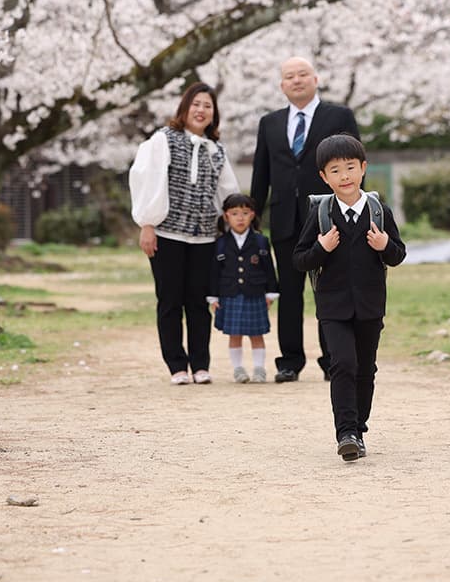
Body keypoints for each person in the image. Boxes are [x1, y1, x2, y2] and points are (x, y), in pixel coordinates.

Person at [293, 134, 406, 461]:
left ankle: (359, 425)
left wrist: (384, 245)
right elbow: (300, 260)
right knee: (342, 363)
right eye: (335, 170)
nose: (344, 176)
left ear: (363, 169)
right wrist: (321, 248)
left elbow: (397, 256)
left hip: (370, 305)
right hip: (333, 306)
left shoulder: (378, 211)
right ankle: (346, 433)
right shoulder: (321, 213)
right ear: (324, 177)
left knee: (365, 369)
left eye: (350, 167)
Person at [250, 56, 360, 382]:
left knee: (330, 289)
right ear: (282, 85)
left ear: (316, 79)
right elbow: (261, 173)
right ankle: (290, 361)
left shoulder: (339, 116)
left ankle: (332, 360)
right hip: (284, 218)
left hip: (328, 217)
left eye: (302, 74)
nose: (296, 80)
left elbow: (353, 164)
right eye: (289, 76)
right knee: (289, 291)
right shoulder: (269, 122)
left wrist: (354, 209)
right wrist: (253, 215)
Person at [129, 82, 239, 385]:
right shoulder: (164, 140)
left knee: (199, 302)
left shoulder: (217, 150)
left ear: (214, 113)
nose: (201, 110)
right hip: (167, 235)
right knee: (169, 300)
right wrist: (146, 224)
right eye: (196, 104)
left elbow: (228, 193)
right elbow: (145, 180)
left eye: (208, 105)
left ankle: (200, 364)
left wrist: (234, 227)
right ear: (185, 107)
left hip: (204, 237)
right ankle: (177, 366)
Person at [207, 193, 279, 384]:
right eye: (235, 213)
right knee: (234, 334)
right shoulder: (220, 243)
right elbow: (214, 272)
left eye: (245, 213)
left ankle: (259, 369)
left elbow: (269, 269)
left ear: (253, 215)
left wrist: (271, 293)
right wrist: (213, 297)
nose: (240, 218)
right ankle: (238, 369)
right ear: (226, 216)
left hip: (255, 294)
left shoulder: (261, 241)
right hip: (229, 294)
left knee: (257, 334)